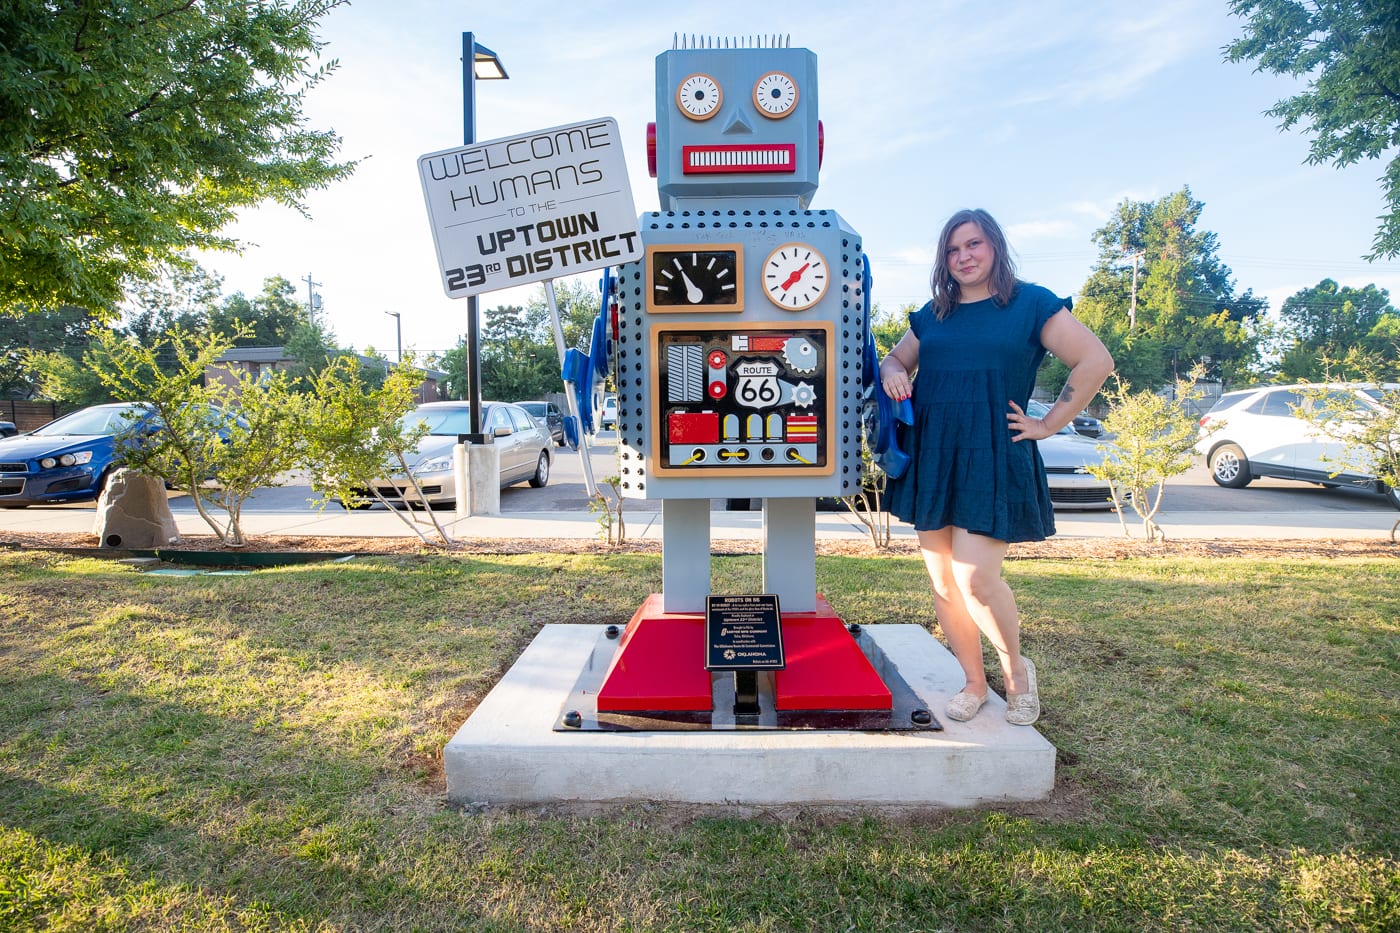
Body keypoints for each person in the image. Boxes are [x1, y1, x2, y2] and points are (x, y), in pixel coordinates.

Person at [878, 209, 1113, 726]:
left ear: (995, 248)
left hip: (992, 451)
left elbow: (1096, 360)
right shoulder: (934, 313)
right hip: (934, 453)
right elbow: (895, 360)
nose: (963, 257)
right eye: (953, 250)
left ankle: (1017, 676)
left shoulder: (1030, 304)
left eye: (973, 245)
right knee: (943, 584)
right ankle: (974, 682)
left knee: (976, 579)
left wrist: (1049, 423)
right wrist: (893, 372)